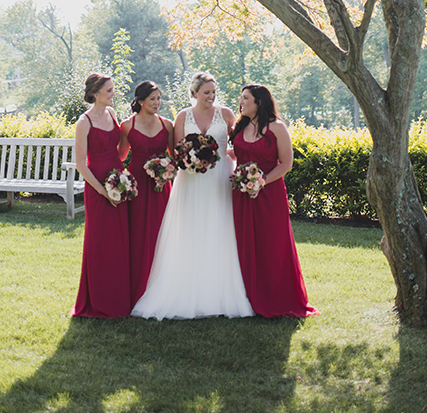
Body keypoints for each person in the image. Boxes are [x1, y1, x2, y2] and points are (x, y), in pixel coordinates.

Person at [131, 71, 253, 319]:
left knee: (220, 229)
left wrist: (231, 158)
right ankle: (185, 287)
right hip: (191, 180)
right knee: (190, 229)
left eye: (213, 92)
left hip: (219, 179)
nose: (211, 96)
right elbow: (177, 150)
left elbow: (241, 144)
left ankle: (218, 290)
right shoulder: (182, 116)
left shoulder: (227, 114)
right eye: (206, 92)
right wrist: (190, 158)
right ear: (194, 93)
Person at [231, 84, 315, 317]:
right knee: (243, 243)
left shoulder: (277, 128)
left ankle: (276, 297)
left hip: (269, 195)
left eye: (246, 98)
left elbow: (286, 164)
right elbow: (237, 154)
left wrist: (260, 183)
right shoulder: (241, 126)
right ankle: (246, 297)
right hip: (241, 196)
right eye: (241, 98)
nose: (241, 102)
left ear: (259, 102)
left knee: (271, 245)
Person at [72, 72, 131, 317]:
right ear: (95, 94)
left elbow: (120, 153)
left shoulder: (112, 115)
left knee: (119, 242)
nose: (113, 94)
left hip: (118, 183)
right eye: (108, 90)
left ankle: (120, 298)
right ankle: (96, 300)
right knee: (99, 243)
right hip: (97, 188)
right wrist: (103, 191)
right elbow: (81, 165)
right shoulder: (84, 122)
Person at [119, 80, 174, 303]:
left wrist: (167, 169)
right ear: (140, 101)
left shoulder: (168, 124)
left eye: (159, 98)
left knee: (163, 231)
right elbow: (121, 156)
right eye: (152, 99)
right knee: (139, 232)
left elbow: (175, 155)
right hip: (138, 185)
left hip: (161, 185)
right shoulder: (127, 126)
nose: (157, 103)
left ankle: (164, 284)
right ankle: (138, 284)